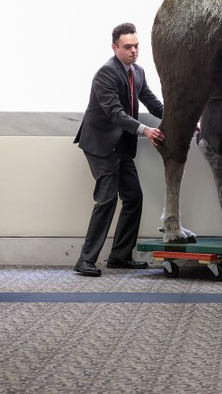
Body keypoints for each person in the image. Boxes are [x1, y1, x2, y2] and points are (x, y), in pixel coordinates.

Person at [73, 22, 166, 277]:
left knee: (134, 197)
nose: (134, 51)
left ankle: (120, 256)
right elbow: (115, 113)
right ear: (115, 48)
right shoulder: (105, 74)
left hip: (121, 144)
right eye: (128, 47)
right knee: (107, 199)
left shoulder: (137, 72)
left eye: (136, 46)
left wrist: (183, 122)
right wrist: (145, 130)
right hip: (101, 144)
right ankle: (85, 260)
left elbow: (153, 103)